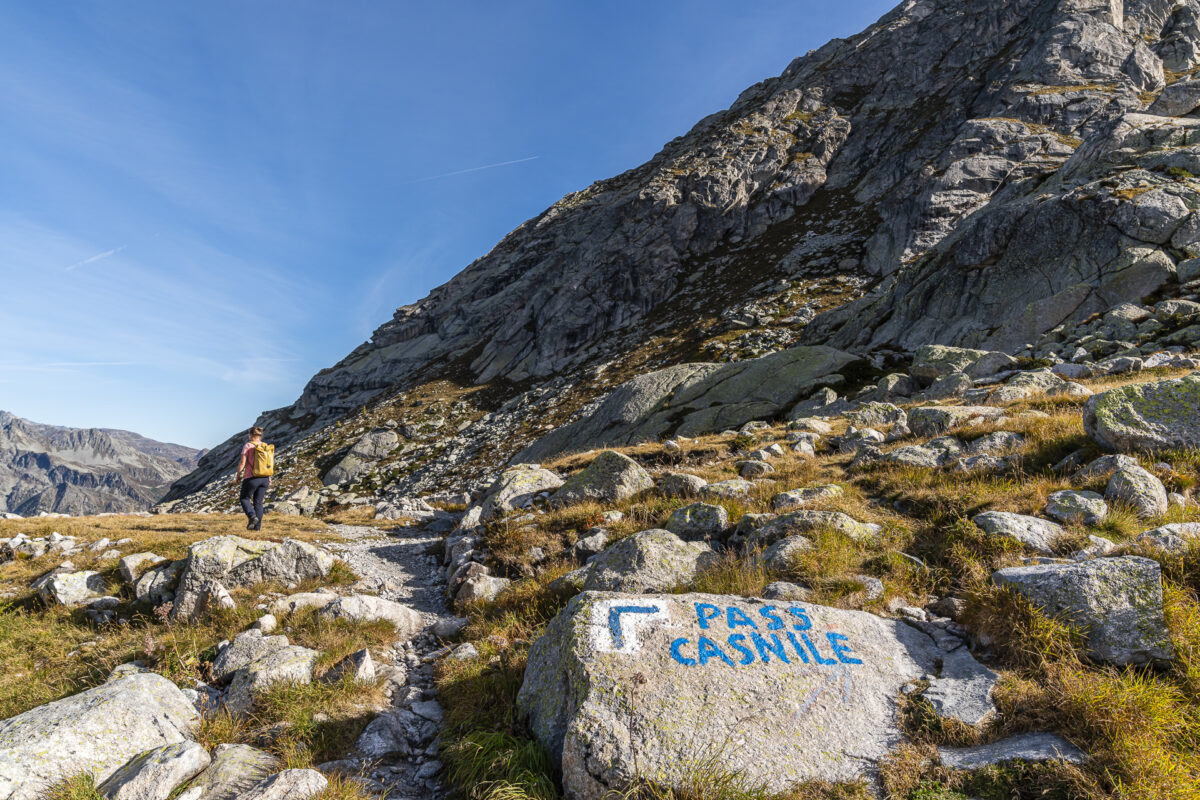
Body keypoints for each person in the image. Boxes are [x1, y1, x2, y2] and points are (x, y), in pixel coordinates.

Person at [235, 426, 270, 530]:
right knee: (258, 502)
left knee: (244, 498)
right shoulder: (265, 446)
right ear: (260, 435)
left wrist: (238, 475)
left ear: (250, 435)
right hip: (265, 478)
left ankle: (252, 516)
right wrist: (269, 478)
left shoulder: (248, 445)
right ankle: (257, 529)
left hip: (251, 477)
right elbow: (268, 464)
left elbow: (242, 462)